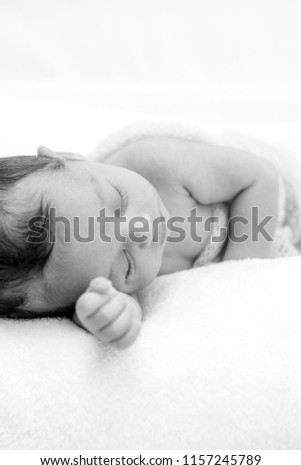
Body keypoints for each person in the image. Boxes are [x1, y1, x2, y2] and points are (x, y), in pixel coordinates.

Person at [0, 135, 296, 348]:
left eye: (118, 202)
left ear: (70, 158)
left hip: (282, 202)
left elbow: (260, 178)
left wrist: (238, 276)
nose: (141, 230)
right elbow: (117, 301)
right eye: (127, 265)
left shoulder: (158, 164)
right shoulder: (87, 275)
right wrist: (109, 314)